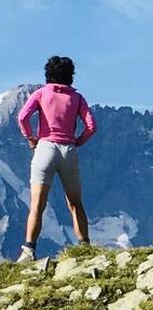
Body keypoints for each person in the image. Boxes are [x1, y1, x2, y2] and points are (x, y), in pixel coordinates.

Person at [16, 56, 97, 262]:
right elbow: (91, 126)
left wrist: (31, 139)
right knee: (75, 203)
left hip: (45, 148)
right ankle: (85, 248)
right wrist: (77, 142)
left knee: (37, 205)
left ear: (48, 74)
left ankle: (29, 250)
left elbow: (22, 117)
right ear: (70, 75)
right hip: (68, 149)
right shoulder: (77, 98)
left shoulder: (42, 94)